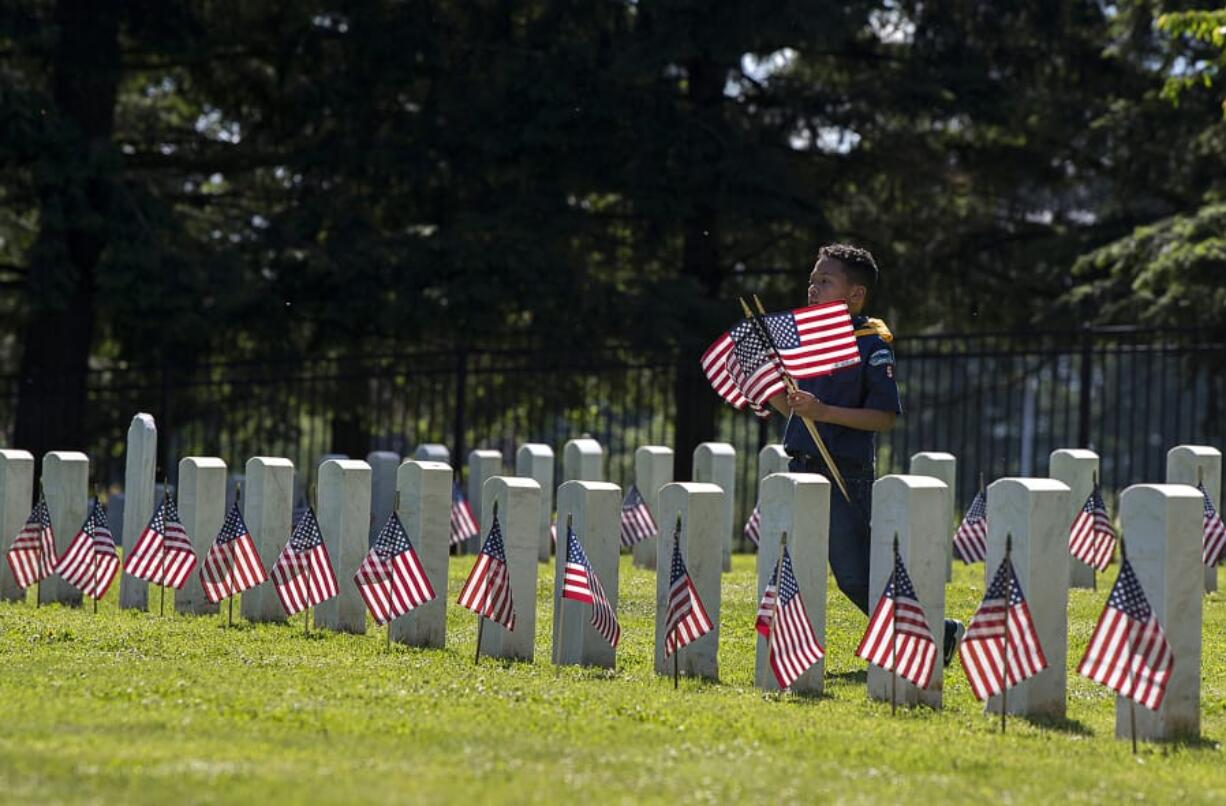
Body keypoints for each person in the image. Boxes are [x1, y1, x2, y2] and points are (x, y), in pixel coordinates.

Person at [767, 243, 964, 666]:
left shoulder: (870, 345)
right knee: (793, 568)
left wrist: (822, 410)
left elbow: (883, 417)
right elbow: (800, 416)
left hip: (843, 471)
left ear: (855, 295)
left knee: (855, 576)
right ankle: (793, 653)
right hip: (801, 466)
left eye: (825, 281)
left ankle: (936, 632)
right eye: (811, 280)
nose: (812, 289)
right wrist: (782, 398)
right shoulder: (807, 343)